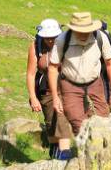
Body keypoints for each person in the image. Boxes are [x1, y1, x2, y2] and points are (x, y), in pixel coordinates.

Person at [48, 12, 111, 137]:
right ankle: (86, 152)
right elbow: (53, 68)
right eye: (80, 31)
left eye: (86, 31)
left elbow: (110, 64)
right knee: (78, 124)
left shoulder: (100, 38)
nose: (83, 34)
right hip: (70, 85)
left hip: (95, 84)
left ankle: (101, 152)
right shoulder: (62, 40)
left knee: (104, 119)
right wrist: (55, 97)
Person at [26, 18, 73, 159]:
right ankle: (54, 154)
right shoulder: (36, 46)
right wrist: (33, 98)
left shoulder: (66, 44)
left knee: (62, 121)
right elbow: (30, 73)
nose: (51, 40)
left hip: (65, 88)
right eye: (47, 38)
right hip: (45, 90)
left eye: (53, 37)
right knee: (51, 125)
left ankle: (64, 158)